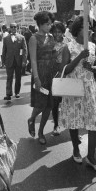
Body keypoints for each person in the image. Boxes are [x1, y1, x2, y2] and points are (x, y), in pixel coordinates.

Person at [60, 16, 96, 171]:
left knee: (94, 122)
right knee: (74, 121)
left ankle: (91, 156)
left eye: (90, 27)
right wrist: (80, 57)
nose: (88, 29)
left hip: (90, 88)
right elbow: (64, 70)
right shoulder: (69, 46)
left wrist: (91, 67)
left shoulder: (93, 46)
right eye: (85, 27)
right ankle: (75, 148)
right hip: (74, 88)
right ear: (77, 29)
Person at [27, 12, 56, 144]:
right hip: (40, 75)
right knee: (40, 104)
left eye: (50, 24)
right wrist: (36, 77)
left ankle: (41, 132)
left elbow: (54, 55)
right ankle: (32, 118)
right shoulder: (33, 38)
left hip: (51, 75)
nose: (49, 26)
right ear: (39, 24)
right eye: (47, 24)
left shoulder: (51, 37)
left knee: (49, 105)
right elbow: (33, 60)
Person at [49, 20, 70, 136]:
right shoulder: (50, 43)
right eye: (55, 32)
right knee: (55, 102)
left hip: (67, 73)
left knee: (68, 101)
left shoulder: (69, 42)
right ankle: (56, 125)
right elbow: (49, 59)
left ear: (63, 32)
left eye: (59, 32)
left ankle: (72, 127)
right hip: (55, 74)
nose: (57, 34)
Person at [2, 22, 27, 101]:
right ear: (9, 28)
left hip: (18, 61)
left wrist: (24, 60)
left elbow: (25, 50)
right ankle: (8, 94)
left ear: (17, 28)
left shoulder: (21, 37)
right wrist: (3, 61)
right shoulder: (6, 39)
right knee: (9, 77)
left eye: (15, 27)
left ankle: (17, 92)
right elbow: (4, 51)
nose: (13, 28)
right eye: (12, 27)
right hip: (9, 61)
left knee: (18, 77)